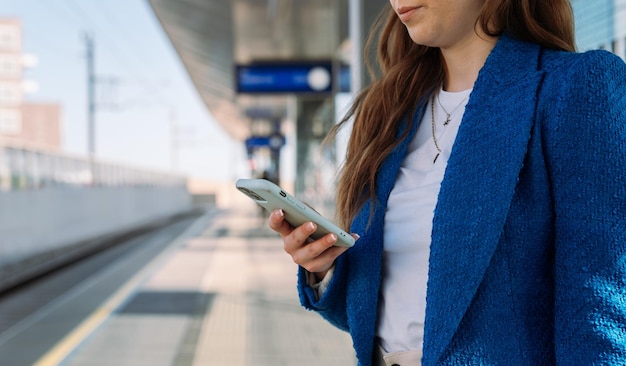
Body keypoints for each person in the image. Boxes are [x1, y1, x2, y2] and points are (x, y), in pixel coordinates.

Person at [269, 0, 626, 365]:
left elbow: (598, 313)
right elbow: (383, 317)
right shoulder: (387, 113)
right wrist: (324, 268)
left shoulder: (576, 86)